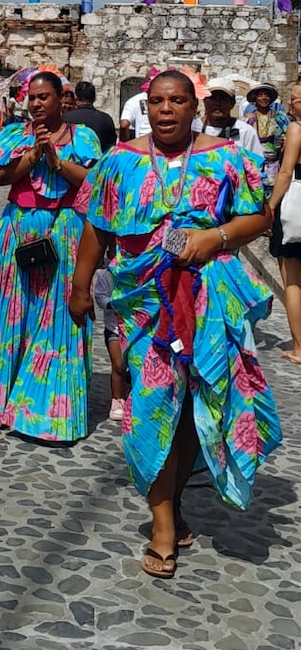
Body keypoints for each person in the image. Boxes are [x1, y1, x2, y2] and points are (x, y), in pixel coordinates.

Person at [71, 69, 281, 579]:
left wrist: (217, 238)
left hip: (209, 303)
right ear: (148, 107)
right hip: (144, 306)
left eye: (178, 101)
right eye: (158, 101)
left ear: (195, 107)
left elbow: (260, 217)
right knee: (151, 407)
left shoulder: (226, 158)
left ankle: (175, 503)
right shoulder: (119, 162)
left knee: (193, 410)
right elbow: (98, 228)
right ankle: (161, 526)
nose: (167, 110)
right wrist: (80, 287)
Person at [0, 70, 101, 442]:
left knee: (57, 314)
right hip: (19, 228)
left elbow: (91, 182)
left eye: (45, 97)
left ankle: (43, 407)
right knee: (13, 310)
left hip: (64, 228)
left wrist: (56, 161)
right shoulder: (13, 134)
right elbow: (2, 177)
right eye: (33, 98)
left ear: (62, 100)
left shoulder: (82, 137)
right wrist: (34, 154)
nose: (37, 104)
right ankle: (1, 396)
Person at [268, 81, 301, 365]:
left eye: (296, 99)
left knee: (292, 279)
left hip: (296, 206)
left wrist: (270, 206)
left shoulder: (296, 128)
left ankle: (299, 346)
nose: (290, 103)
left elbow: (286, 171)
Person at [193, 77, 264, 158]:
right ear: (204, 101)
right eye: (213, 98)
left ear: (232, 103)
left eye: (223, 99)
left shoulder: (245, 132)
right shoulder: (192, 128)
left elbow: (255, 167)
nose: (218, 103)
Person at [92, 264, 129, 420]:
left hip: (134, 329)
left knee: (133, 367)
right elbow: (100, 297)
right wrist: (114, 303)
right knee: (118, 365)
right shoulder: (106, 275)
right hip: (113, 328)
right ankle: (117, 400)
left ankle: (128, 397)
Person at [244, 81, 290, 194]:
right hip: (254, 164)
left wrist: (284, 141)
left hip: (275, 164)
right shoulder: (249, 119)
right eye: (260, 95)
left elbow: (289, 136)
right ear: (255, 98)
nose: (263, 98)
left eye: (266, 95)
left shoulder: (280, 117)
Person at [64, 80, 117, 151]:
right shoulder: (106, 119)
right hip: (99, 161)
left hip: (69, 161)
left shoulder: (65, 118)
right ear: (94, 98)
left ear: (76, 98)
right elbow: (111, 148)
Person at [119, 66, 161, 141]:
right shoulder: (167, 101)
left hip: (141, 145)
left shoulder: (133, 101)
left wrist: (125, 145)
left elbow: (124, 125)